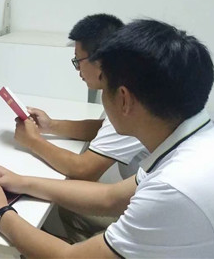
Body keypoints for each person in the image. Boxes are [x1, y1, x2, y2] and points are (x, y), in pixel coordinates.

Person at [0, 19, 214, 258]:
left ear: (123, 99)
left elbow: (71, 258)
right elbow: (109, 197)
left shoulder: (174, 188)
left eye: (104, 86)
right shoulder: (197, 141)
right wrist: (21, 182)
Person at [14, 14, 147, 242]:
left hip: (146, 215)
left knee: (67, 202)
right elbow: (106, 128)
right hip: (140, 196)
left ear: (99, 62)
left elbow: (84, 171)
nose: (77, 70)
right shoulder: (127, 84)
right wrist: (51, 126)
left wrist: (33, 141)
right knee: (68, 205)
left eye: (78, 61)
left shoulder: (129, 101)